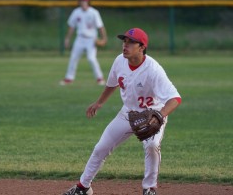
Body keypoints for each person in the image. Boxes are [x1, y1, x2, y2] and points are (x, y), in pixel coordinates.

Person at [62, 28, 182, 195]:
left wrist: (160, 116)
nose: (125, 45)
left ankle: (149, 189)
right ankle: (83, 187)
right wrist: (99, 103)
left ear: (142, 47)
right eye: (124, 41)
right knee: (101, 147)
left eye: (131, 42)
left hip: (152, 114)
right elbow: (112, 83)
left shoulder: (153, 69)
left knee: (152, 145)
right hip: (128, 113)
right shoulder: (119, 61)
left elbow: (175, 98)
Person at [59, 0, 107, 86]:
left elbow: (100, 27)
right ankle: (69, 78)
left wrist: (104, 38)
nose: (83, 2)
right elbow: (71, 27)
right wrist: (67, 39)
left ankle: (99, 78)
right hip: (80, 38)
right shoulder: (76, 12)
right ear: (79, 2)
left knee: (91, 59)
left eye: (85, 0)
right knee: (73, 58)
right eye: (81, 0)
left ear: (88, 2)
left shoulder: (94, 12)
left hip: (91, 39)